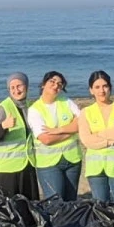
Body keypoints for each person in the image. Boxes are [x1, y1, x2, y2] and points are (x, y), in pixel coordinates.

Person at [78, 70, 114, 202]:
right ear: (91, 90)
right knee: (101, 208)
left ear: (110, 88)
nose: (101, 91)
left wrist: (99, 134)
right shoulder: (86, 112)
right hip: (95, 168)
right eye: (97, 87)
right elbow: (87, 140)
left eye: (105, 86)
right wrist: (109, 140)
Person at [28, 70, 82, 201]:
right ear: (43, 85)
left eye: (60, 84)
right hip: (49, 163)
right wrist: (72, 130)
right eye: (52, 82)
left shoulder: (67, 101)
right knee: (55, 202)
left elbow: (82, 123)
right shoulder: (35, 109)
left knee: (71, 201)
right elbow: (46, 139)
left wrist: (59, 130)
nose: (56, 85)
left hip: (72, 160)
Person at [0, 72, 39, 199]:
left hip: (26, 166)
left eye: (19, 86)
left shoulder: (29, 106)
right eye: (12, 88)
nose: (16, 90)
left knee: (28, 206)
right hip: (6, 170)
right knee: (8, 210)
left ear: (26, 86)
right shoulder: (3, 108)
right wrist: (3, 126)